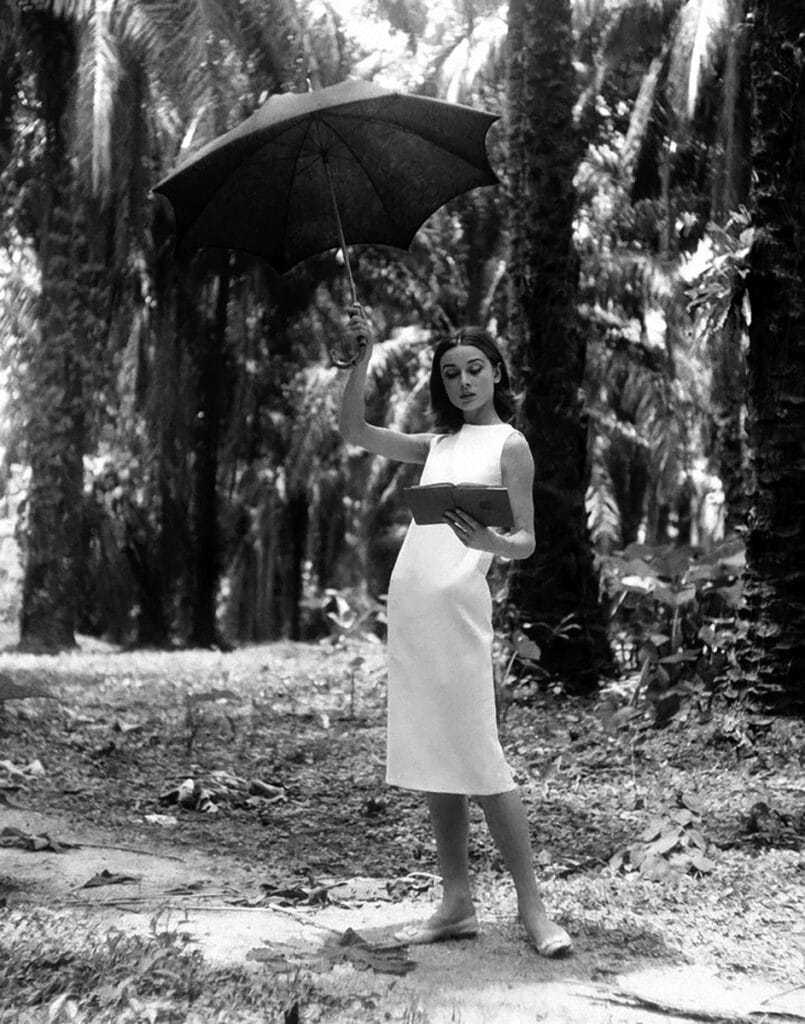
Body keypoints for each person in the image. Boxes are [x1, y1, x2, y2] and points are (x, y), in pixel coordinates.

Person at [338, 308, 572, 958]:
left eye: (474, 369)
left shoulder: (509, 444)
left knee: (480, 755)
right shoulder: (435, 445)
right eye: (451, 373)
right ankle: (455, 903)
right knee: (434, 753)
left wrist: (488, 539)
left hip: (461, 611)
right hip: (413, 606)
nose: (463, 381)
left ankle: (532, 910)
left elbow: (524, 541)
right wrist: (361, 355)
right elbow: (353, 428)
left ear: (495, 373)